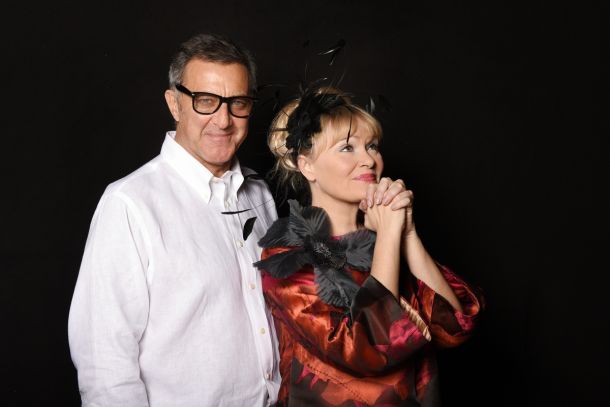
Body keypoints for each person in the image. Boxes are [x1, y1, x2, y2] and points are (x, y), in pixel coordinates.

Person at [68, 33, 281, 406]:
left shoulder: (260, 195)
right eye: (205, 101)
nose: (223, 120)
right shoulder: (130, 204)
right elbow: (105, 365)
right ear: (174, 104)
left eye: (238, 103)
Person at [254, 87, 483, 406]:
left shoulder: (385, 239)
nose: (369, 160)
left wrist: (406, 234)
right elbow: (369, 348)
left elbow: (455, 327)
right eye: (347, 147)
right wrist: (389, 233)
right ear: (307, 166)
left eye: (372, 145)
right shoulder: (288, 257)